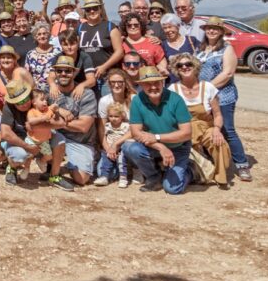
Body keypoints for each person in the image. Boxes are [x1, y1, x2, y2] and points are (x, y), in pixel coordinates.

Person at [122, 66, 193, 194]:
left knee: (173, 189)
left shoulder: (176, 99)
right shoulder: (137, 101)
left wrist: (157, 137)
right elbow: (135, 133)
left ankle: (191, 171)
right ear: (141, 85)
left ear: (162, 82)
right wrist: (161, 147)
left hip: (178, 147)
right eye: (148, 84)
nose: (153, 87)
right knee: (130, 147)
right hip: (153, 146)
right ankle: (154, 176)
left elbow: (187, 133)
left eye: (156, 82)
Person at [197, 16, 251, 182]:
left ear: (221, 31)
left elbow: (227, 73)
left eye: (215, 28)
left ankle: (242, 164)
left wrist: (207, 88)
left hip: (223, 96)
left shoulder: (227, 49)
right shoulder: (201, 49)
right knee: (208, 129)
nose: (211, 31)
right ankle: (216, 162)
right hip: (204, 97)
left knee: (227, 129)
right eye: (209, 28)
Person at [168, 52, 231, 188]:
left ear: (195, 66)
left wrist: (217, 129)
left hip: (206, 127)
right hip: (184, 130)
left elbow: (217, 115)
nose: (184, 67)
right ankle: (198, 172)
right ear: (176, 70)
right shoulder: (173, 89)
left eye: (188, 64)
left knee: (218, 142)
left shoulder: (208, 87)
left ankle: (220, 176)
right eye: (180, 65)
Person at [0, 80, 73, 191]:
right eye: (19, 102)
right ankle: (12, 168)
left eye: (25, 99)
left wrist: (37, 124)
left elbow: (60, 123)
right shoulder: (8, 107)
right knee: (19, 155)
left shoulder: (38, 100)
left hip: (40, 138)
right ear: (13, 103)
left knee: (60, 139)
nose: (24, 104)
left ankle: (54, 176)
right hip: (19, 141)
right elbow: (5, 133)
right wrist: (28, 146)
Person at [49, 55, 99, 186]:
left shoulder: (87, 94)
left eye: (67, 71)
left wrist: (57, 122)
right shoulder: (48, 92)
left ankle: (68, 164)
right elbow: (36, 115)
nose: (63, 74)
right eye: (59, 70)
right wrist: (58, 109)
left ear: (74, 72)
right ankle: (49, 163)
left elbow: (83, 126)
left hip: (79, 141)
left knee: (81, 179)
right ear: (55, 73)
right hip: (55, 138)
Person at [77, 0, 123, 96]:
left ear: (100, 9)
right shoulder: (80, 28)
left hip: (106, 78)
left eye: (95, 8)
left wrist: (104, 67)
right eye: (88, 9)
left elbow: (119, 51)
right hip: (86, 78)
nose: (92, 11)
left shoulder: (110, 26)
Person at [48, 30, 96, 100]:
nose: (69, 47)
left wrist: (81, 85)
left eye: (72, 44)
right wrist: (52, 85)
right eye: (65, 45)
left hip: (81, 91)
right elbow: (51, 77)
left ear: (78, 42)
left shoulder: (84, 57)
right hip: (64, 88)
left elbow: (92, 80)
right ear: (61, 45)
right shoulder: (58, 57)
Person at [23, 88, 61, 174]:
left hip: (44, 141)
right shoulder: (32, 111)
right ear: (34, 102)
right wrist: (42, 118)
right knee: (29, 156)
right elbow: (31, 121)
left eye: (46, 100)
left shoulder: (48, 110)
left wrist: (57, 112)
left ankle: (41, 161)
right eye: (42, 100)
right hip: (32, 140)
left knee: (49, 156)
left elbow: (57, 120)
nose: (45, 102)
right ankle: (26, 169)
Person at [94, 103, 131, 188]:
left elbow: (128, 137)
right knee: (105, 160)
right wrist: (108, 149)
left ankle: (123, 177)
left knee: (121, 161)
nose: (113, 118)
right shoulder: (107, 126)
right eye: (111, 116)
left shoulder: (126, 126)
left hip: (120, 149)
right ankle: (104, 176)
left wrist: (117, 147)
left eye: (116, 116)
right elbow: (104, 136)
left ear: (122, 116)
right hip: (109, 149)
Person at [0, 46, 33, 112]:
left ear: (14, 60)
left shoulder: (22, 72)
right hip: (9, 111)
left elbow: (34, 91)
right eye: (3, 57)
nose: (6, 60)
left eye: (9, 58)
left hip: (28, 110)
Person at [161, 13, 199, 83]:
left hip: (193, 82)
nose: (168, 30)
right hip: (173, 84)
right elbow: (162, 64)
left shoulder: (191, 40)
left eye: (170, 27)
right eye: (165, 28)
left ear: (178, 26)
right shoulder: (163, 45)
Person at [25, 21, 61, 93]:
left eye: (44, 33)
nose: (42, 36)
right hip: (37, 92)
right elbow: (27, 75)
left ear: (49, 35)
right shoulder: (30, 54)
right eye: (39, 34)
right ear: (35, 37)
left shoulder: (58, 52)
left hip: (55, 90)